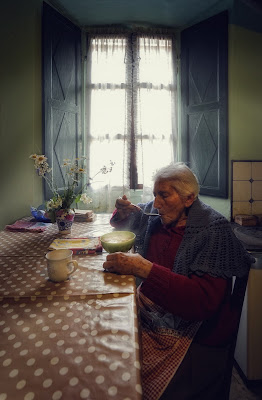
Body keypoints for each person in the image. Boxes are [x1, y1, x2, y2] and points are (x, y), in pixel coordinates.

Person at [103, 162, 254, 400]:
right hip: (157, 315)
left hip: (196, 334)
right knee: (105, 341)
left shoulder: (213, 231)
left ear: (188, 198)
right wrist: (122, 213)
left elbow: (203, 303)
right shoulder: (157, 215)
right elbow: (127, 222)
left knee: (122, 375)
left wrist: (145, 268)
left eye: (164, 195)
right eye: (155, 195)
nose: (156, 203)